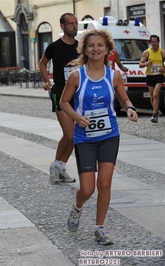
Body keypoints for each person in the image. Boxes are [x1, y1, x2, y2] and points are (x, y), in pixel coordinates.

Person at [59, 29, 138, 245]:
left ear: (108, 50)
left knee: (104, 184)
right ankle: (77, 207)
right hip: (85, 137)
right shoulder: (77, 75)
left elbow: (124, 99)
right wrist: (76, 117)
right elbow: (63, 102)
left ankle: (99, 228)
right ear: (85, 49)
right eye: (91, 45)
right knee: (87, 189)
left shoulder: (114, 75)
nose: (96, 49)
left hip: (109, 135)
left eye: (100, 45)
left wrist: (130, 108)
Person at [38, 13, 78, 184]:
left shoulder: (81, 47)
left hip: (77, 92)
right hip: (60, 92)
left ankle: (60, 167)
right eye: (70, 24)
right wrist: (47, 81)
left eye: (75, 23)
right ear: (62, 26)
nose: (74, 27)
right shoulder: (54, 46)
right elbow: (42, 63)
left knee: (73, 137)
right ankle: (56, 166)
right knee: (69, 135)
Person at [139, 34, 165, 123]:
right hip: (150, 75)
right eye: (152, 42)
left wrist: (164, 67)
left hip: (159, 75)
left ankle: (154, 114)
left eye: (156, 42)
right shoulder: (147, 52)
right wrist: (146, 64)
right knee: (152, 96)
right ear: (150, 42)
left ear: (158, 42)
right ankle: (156, 111)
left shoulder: (162, 52)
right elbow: (140, 64)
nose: (154, 43)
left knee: (155, 94)